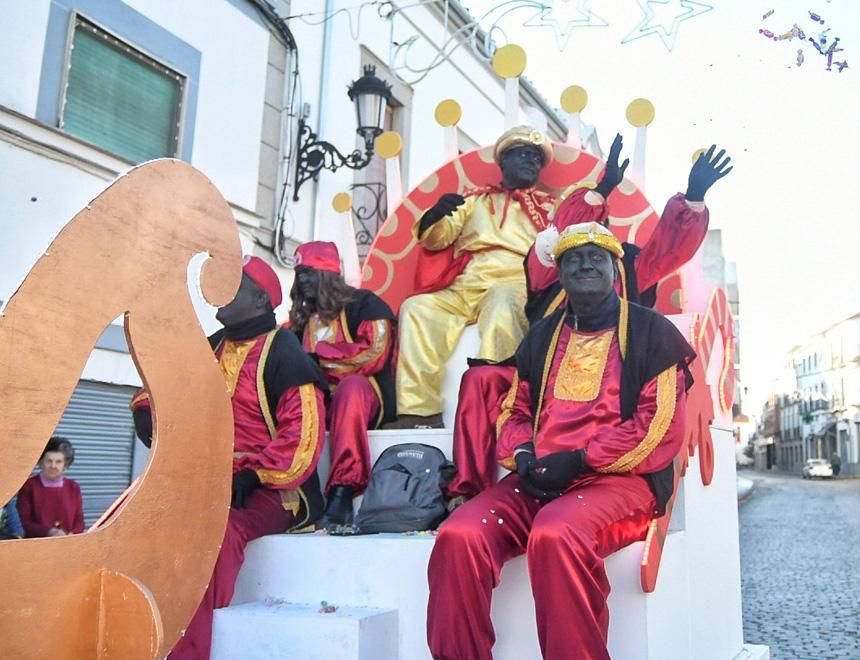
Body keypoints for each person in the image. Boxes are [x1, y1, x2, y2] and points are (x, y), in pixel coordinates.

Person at [426, 219, 697, 660]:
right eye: (573, 258)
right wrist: (523, 453)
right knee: (458, 536)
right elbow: (515, 411)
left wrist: (581, 459)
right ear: (561, 272)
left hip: (622, 482)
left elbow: (658, 427)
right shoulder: (543, 334)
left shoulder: (652, 332)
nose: (585, 265)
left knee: (556, 533)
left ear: (614, 269)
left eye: (596, 258)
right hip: (541, 479)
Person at [444, 137, 732, 505]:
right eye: (577, 245)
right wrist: (602, 188)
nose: (585, 258)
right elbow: (569, 231)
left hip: (613, 384)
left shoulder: (628, 266)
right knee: (480, 378)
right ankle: (467, 489)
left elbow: (668, 248)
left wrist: (692, 200)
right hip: (545, 378)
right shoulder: (547, 267)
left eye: (596, 247)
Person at [131, 255, 327, 660]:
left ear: (259, 300)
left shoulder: (285, 350)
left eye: (231, 283)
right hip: (204, 483)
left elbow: (302, 437)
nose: (218, 289)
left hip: (270, 490)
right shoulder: (211, 346)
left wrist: (253, 477)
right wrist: (146, 410)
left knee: (215, 534)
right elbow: (158, 386)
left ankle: (186, 652)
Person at [393, 125, 556, 428]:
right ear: (503, 162)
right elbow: (436, 239)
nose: (532, 160)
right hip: (466, 282)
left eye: (536, 157)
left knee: (503, 305)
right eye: (524, 154)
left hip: (517, 280)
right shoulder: (473, 201)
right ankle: (419, 411)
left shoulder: (550, 208)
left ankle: (496, 407)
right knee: (417, 310)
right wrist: (436, 214)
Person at [288, 241, 397, 529]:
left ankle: (343, 490)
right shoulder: (299, 323)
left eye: (308, 272)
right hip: (321, 397)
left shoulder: (365, 303)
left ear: (327, 273)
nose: (302, 280)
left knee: (350, 387)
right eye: (299, 273)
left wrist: (317, 359)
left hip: (363, 395)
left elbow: (374, 352)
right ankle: (295, 493)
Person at [16, 436, 84, 538]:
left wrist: (73, 534)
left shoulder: (73, 488)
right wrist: (50, 532)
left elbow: (79, 520)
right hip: (37, 546)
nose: (53, 466)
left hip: (67, 545)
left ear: (65, 464)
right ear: (41, 462)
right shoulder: (28, 486)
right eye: (49, 461)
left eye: (58, 462)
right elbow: (24, 522)